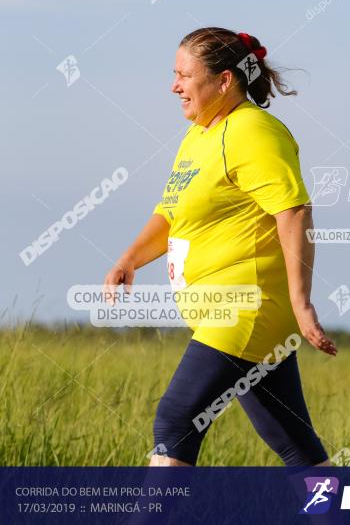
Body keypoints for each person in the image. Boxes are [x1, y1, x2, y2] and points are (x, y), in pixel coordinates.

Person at [103, 27, 336, 467]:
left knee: (176, 420)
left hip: (244, 309)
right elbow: (171, 212)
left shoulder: (254, 131)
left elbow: (294, 212)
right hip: (226, 313)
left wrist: (301, 303)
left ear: (224, 80)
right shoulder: (200, 135)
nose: (174, 86)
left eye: (184, 76)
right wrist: (129, 259)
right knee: (293, 442)